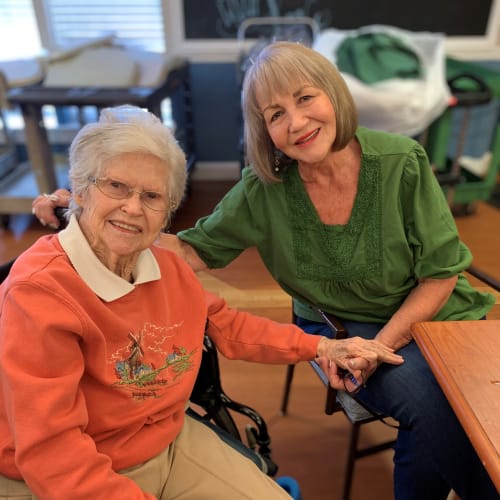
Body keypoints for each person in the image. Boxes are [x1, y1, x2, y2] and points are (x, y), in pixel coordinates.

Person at [31, 41, 497, 500]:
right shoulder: (265, 188)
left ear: (333, 94)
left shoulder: (401, 162)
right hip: (339, 322)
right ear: (264, 130)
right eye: (274, 114)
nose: (295, 122)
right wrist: (96, 209)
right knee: (432, 404)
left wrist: (381, 346)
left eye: (305, 98)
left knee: (451, 408)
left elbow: (440, 275)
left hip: (427, 312)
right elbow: (192, 251)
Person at [0, 104, 403, 500]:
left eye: (152, 195)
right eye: (116, 186)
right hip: (61, 473)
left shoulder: (164, 267)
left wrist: (321, 346)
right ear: (81, 190)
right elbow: (53, 455)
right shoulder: (40, 291)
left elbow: (227, 325)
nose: (133, 207)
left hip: (162, 441)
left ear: (167, 213)